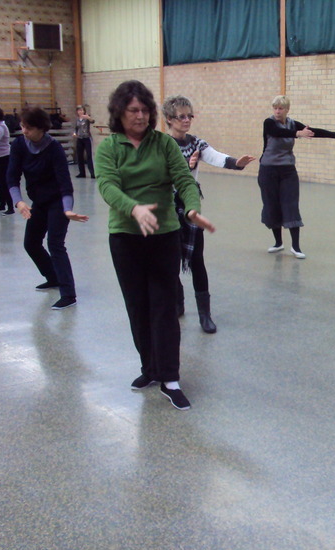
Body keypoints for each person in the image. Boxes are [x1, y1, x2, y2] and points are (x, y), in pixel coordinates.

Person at [96, 80, 215, 411]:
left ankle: (170, 378)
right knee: (137, 307)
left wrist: (192, 210)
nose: (140, 116)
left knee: (164, 307)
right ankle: (149, 369)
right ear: (119, 113)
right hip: (125, 237)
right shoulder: (109, 148)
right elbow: (107, 185)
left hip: (164, 236)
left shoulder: (163, 144)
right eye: (133, 110)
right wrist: (133, 208)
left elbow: (184, 180)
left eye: (145, 110)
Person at [162, 95, 256, 333]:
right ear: (169, 119)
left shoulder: (196, 143)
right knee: (170, 259)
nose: (186, 120)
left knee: (197, 260)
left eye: (189, 116)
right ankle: (178, 303)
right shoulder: (161, 144)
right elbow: (160, 174)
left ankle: (205, 314)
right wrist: (186, 167)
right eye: (181, 116)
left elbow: (215, 156)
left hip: (190, 205)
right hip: (166, 207)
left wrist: (237, 163)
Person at [7, 107, 88, 309]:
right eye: (23, 126)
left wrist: (67, 210)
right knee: (31, 243)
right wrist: (18, 202)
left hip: (58, 202)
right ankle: (53, 277)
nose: (24, 131)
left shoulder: (54, 148)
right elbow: (12, 177)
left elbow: (65, 184)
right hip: (39, 202)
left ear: (41, 128)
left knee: (55, 244)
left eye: (29, 128)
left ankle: (68, 294)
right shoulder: (19, 145)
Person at [259, 95, 335, 259]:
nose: (277, 111)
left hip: (288, 171)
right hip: (268, 170)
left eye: (280, 108)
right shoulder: (269, 123)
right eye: (275, 108)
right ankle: (278, 243)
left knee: (290, 205)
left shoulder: (292, 123)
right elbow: (278, 132)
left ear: (287, 109)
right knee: (272, 205)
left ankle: (295, 247)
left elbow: (313, 132)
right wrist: (298, 134)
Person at [0, 106, 14, 214]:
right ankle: (2, 204)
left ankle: (10, 207)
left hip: (3, 157)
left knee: (3, 182)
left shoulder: (1, 126)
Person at [73, 104, 96, 178]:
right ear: (77, 111)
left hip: (86, 138)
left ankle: (92, 173)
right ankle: (82, 173)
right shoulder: (77, 119)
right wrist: (74, 133)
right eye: (79, 110)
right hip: (79, 138)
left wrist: (88, 118)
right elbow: (76, 128)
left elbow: (93, 121)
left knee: (89, 156)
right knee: (79, 156)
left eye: (82, 110)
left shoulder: (86, 118)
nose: (81, 112)